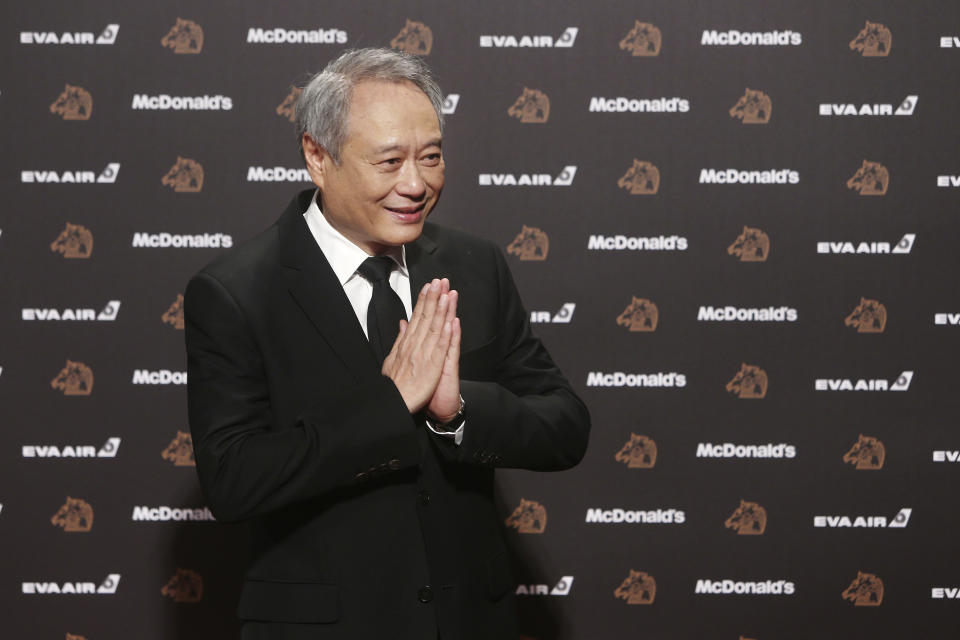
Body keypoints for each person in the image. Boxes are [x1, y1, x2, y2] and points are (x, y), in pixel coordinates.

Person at [184, 48, 590, 640]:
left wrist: (458, 412)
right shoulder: (236, 291)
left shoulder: (475, 266)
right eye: (390, 161)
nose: (416, 184)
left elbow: (566, 426)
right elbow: (233, 480)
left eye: (431, 157)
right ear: (316, 157)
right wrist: (390, 404)